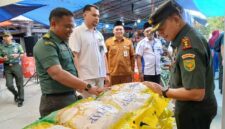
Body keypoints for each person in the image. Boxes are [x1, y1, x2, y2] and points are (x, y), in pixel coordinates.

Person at [144, 1, 217, 129]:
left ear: (176, 19)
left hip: (194, 112)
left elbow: (196, 93)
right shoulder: (183, 39)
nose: (159, 33)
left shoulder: (188, 46)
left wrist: (163, 91)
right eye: (157, 31)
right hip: (193, 109)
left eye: (161, 28)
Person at [33, 7, 104, 118]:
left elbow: (69, 67)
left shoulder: (63, 43)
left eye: (72, 26)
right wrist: (88, 86)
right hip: (55, 101)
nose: (71, 30)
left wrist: (78, 85)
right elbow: (57, 73)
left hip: (69, 95)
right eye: (67, 26)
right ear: (53, 24)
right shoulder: (46, 44)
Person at [69, 5, 110, 97]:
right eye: (94, 15)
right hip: (86, 78)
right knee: (89, 106)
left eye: (98, 16)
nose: (97, 18)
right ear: (85, 15)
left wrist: (107, 73)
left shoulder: (99, 34)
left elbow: (103, 55)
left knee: (100, 104)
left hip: (100, 76)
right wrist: (80, 79)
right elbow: (74, 55)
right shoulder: (77, 32)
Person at [105, 21, 135, 85]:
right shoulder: (108, 42)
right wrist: (107, 72)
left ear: (123, 31)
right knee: (114, 92)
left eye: (120, 29)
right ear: (113, 31)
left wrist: (132, 70)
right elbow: (105, 57)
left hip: (127, 74)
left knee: (127, 92)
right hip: (113, 74)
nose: (119, 31)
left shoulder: (128, 42)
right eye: (117, 29)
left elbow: (132, 57)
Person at [0, 32, 24, 107]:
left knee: (19, 84)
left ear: (11, 37)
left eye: (8, 36)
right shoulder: (1, 47)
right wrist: (2, 58)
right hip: (7, 67)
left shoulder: (17, 45)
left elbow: (23, 54)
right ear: (3, 38)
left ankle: (21, 99)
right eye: (4, 37)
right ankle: (16, 94)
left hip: (16, 66)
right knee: (9, 85)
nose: (6, 38)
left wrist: (18, 55)